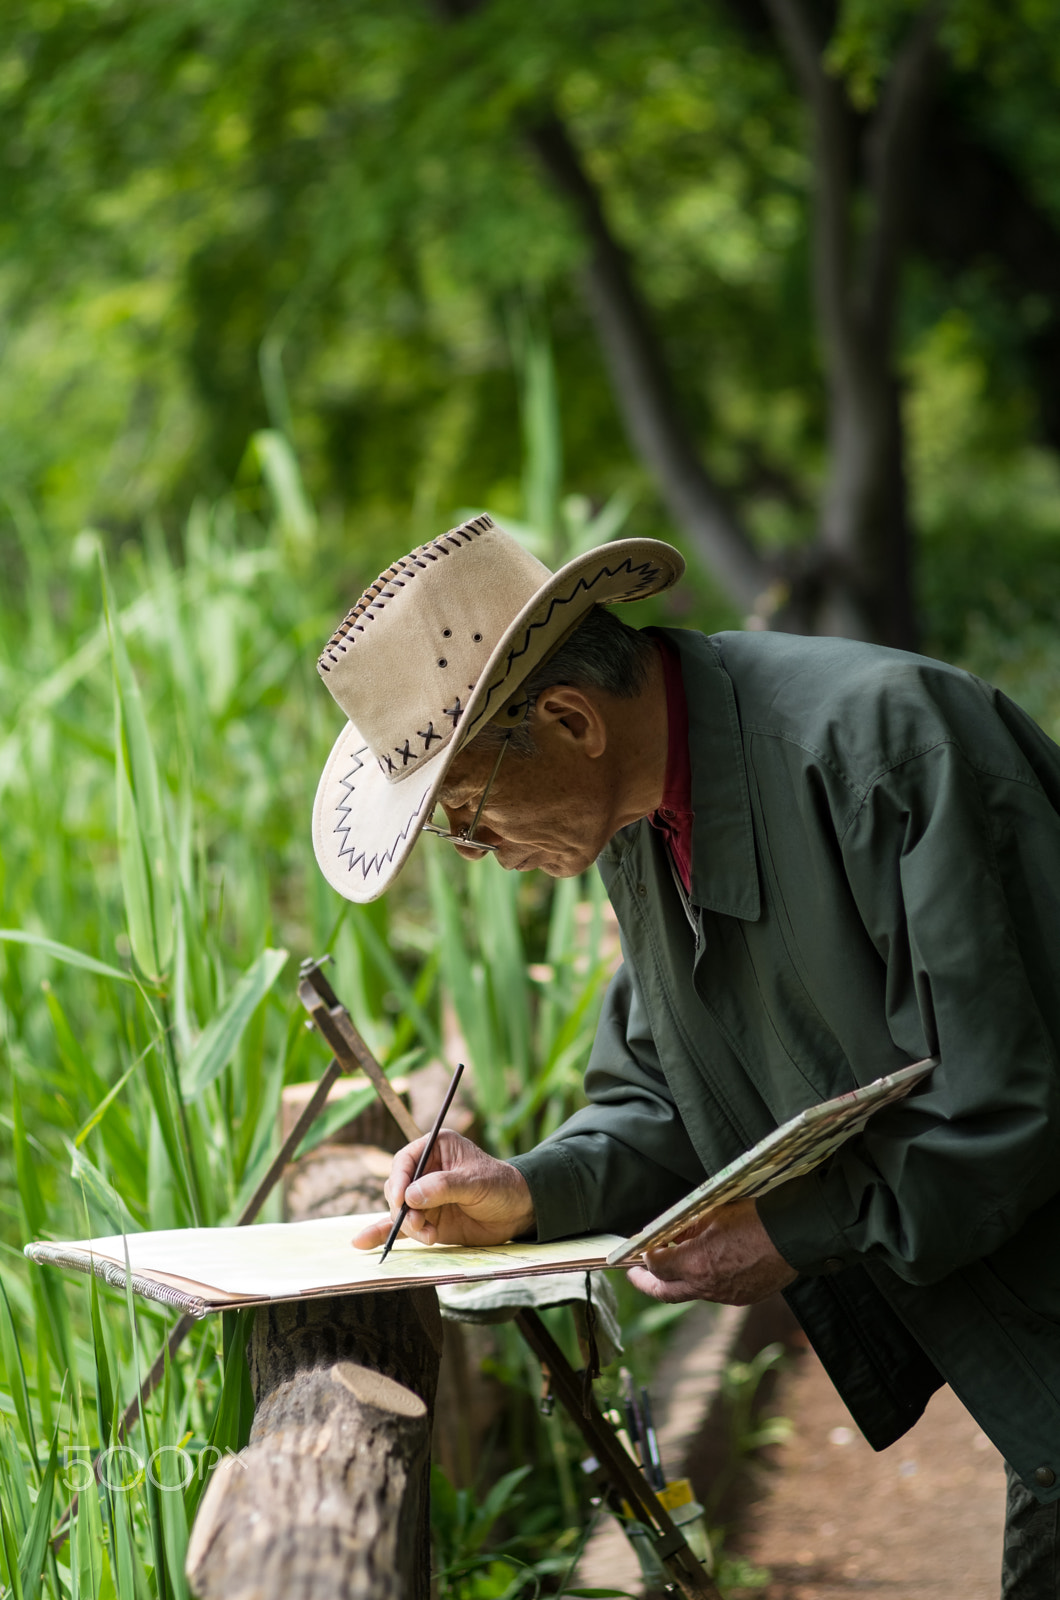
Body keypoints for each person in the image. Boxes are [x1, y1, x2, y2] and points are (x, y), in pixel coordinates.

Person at [311, 513, 1060, 1596]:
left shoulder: (885, 747)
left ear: (569, 718)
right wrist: (524, 1189)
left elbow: (1010, 1101)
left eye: (467, 813)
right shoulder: (638, 815)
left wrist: (795, 1229)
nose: (477, 854)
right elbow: (668, 1083)